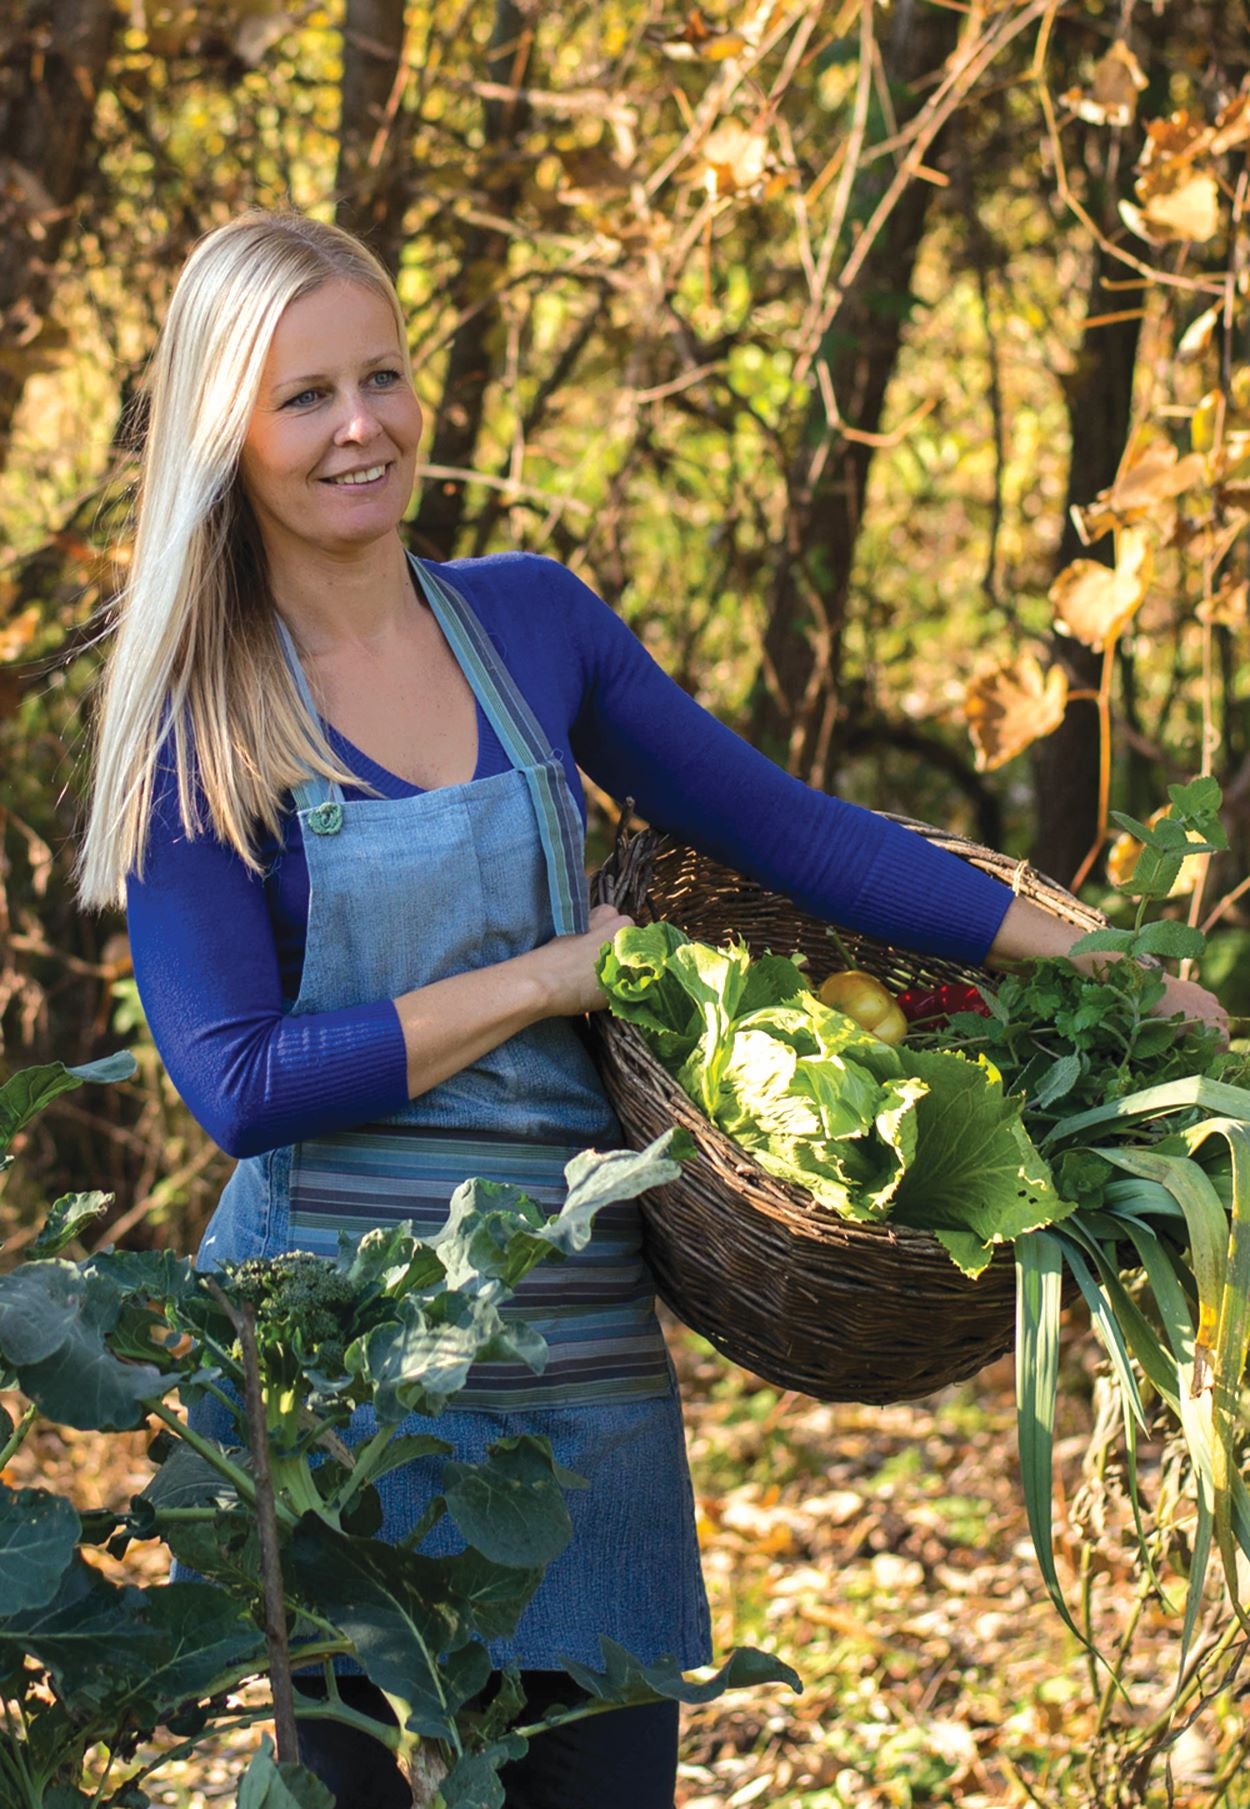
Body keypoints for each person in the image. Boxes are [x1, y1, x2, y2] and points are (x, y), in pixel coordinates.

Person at [77, 210, 1226, 1809]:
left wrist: (1091, 959)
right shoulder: (195, 718)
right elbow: (242, 1083)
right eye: (305, 397)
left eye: (385, 376)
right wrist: (549, 975)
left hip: (572, 1336)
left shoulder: (530, 623)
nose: (364, 427)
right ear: (225, 432)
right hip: (326, 1366)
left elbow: (797, 835)